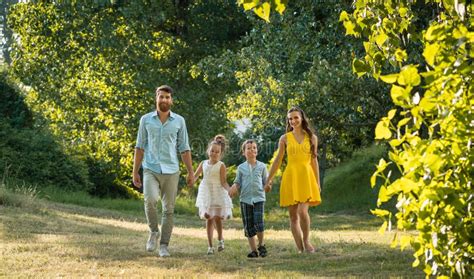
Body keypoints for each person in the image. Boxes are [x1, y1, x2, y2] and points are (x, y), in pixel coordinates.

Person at [132, 85, 194, 257]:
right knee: (150, 200)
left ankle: (164, 245)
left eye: (167, 97)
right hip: (150, 168)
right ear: (156, 98)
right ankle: (153, 231)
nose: (164, 100)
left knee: (168, 210)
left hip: (171, 170)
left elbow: (184, 148)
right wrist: (135, 171)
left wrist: (190, 172)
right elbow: (139, 146)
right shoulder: (145, 120)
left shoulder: (179, 121)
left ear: (171, 100)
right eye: (161, 97)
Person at [264, 106, 322, 253]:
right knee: (293, 216)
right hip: (291, 176)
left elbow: (314, 161)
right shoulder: (284, 138)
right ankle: (300, 249)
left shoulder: (312, 138)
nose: (293, 121)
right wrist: (268, 179)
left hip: (306, 176)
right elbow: (278, 160)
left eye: (296, 117)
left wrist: (317, 182)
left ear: (302, 118)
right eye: (290, 118)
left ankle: (306, 240)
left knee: (303, 211)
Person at [228, 139, 269, 258]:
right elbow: (237, 182)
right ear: (243, 152)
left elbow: (265, 182)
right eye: (249, 148)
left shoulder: (262, 166)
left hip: (259, 198)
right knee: (249, 226)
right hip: (245, 199)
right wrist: (234, 187)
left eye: (254, 148)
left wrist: (268, 185)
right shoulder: (241, 168)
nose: (252, 150)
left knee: (259, 223)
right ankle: (253, 251)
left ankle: (261, 245)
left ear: (257, 150)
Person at [193, 135, 233, 255]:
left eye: (217, 152)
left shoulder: (221, 165)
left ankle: (220, 239)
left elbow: (223, 182)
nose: (214, 153)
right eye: (212, 151)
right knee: (208, 218)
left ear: (220, 153)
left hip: (218, 192)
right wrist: (191, 180)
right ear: (208, 151)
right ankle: (210, 246)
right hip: (206, 192)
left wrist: (229, 190)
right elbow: (195, 176)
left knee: (217, 218)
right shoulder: (203, 163)